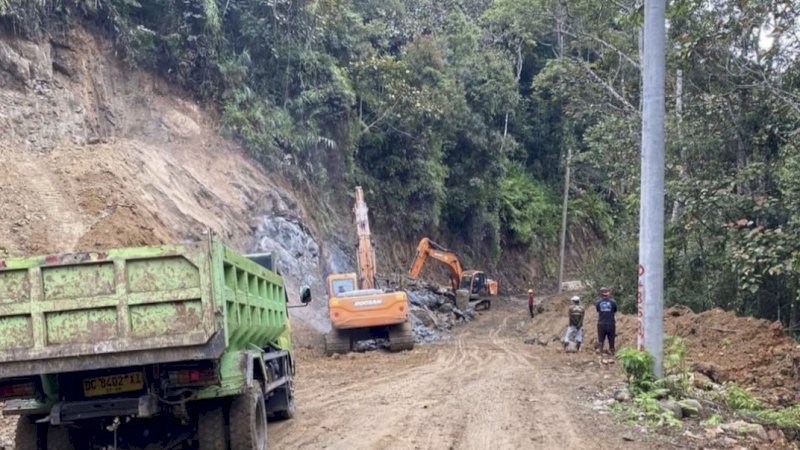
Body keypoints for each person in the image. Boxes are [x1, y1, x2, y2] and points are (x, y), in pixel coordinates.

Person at [595, 287, 618, 354]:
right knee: (611, 338)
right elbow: (615, 310)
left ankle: (600, 349)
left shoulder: (598, 302)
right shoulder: (613, 302)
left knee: (601, 338)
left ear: (601, 294)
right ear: (608, 293)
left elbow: (598, 310)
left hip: (601, 323)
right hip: (611, 323)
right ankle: (612, 349)